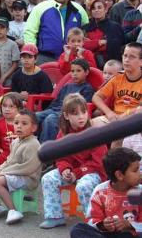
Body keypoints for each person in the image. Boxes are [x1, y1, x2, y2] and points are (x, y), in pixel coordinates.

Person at [39, 94, 107, 229]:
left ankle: (94, 221)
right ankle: (55, 216)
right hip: (72, 172)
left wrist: (77, 172)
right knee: (48, 178)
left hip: (95, 173)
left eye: (84, 111)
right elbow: (60, 156)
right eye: (75, 113)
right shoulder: (63, 133)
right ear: (66, 116)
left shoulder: (95, 133)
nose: (81, 116)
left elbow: (98, 163)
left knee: (83, 186)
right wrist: (65, 169)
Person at [0, 109, 41, 225]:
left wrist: (5, 172)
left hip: (28, 178)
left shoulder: (33, 144)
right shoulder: (16, 141)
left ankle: (13, 210)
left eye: (24, 124)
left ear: (33, 128)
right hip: (12, 173)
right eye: (16, 123)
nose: (19, 126)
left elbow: (27, 168)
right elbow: (10, 161)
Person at [69, 147, 142, 238]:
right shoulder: (101, 191)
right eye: (135, 170)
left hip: (129, 234)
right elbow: (91, 220)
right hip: (104, 234)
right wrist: (103, 224)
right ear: (119, 175)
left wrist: (129, 225)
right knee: (78, 229)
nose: (140, 173)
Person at [24, 0, 89, 64]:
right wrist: (32, 53)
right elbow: (30, 31)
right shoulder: (40, 8)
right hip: (45, 57)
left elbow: (87, 32)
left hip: (72, 57)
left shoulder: (79, 10)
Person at [91, 43, 142, 147]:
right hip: (114, 118)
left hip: (134, 122)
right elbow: (96, 97)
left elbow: (140, 109)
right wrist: (109, 112)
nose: (127, 60)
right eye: (125, 55)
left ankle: (111, 161)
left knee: (120, 130)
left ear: (141, 61)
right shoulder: (117, 78)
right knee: (89, 126)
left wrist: (123, 117)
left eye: (132, 57)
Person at [37, 58, 95, 143]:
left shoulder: (87, 88)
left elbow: (82, 107)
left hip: (67, 113)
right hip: (55, 110)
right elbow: (56, 102)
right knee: (35, 116)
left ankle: (46, 148)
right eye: (72, 71)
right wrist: (47, 111)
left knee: (50, 119)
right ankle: (33, 144)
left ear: (86, 72)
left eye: (78, 71)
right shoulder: (67, 86)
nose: (74, 74)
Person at [83, 0, 124, 69]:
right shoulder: (85, 28)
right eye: (93, 8)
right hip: (89, 64)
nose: (96, 10)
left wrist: (91, 43)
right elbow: (82, 45)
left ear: (105, 10)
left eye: (99, 7)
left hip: (110, 65)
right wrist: (99, 43)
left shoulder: (115, 27)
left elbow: (118, 47)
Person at [0, 92, 24, 168]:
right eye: (4, 106)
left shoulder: (24, 122)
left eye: (11, 106)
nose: (7, 109)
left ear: (19, 109)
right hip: (6, 153)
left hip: (20, 153)